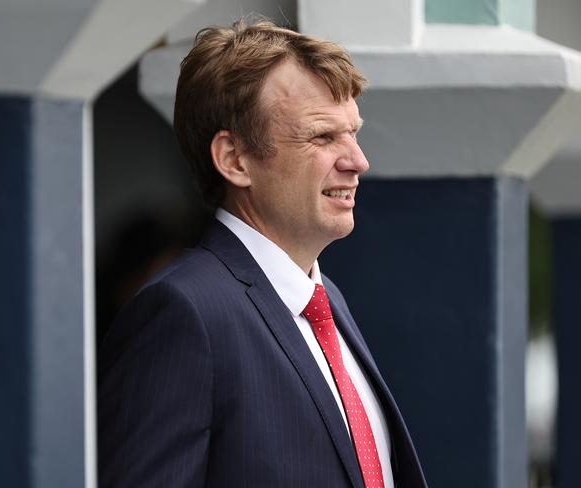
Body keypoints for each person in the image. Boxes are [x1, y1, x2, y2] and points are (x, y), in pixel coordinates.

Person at [97, 18, 427, 488]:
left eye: (352, 132)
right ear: (234, 159)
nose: (357, 160)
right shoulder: (183, 313)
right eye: (321, 136)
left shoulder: (325, 299)